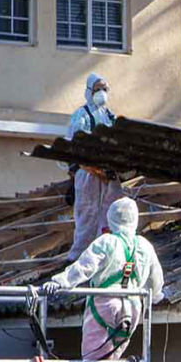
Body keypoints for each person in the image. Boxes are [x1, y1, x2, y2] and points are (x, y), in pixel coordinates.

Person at [41, 197, 165, 362]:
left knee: (97, 361)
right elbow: (156, 282)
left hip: (106, 304)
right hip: (134, 306)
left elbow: (83, 268)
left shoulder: (106, 242)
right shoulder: (145, 246)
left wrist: (59, 282)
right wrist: (156, 297)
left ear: (111, 218)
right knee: (113, 360)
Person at [64, 73, 123, 260]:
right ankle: (79, 256)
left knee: (110, 211)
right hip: (88, 172)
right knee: (87, 213)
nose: (102, 93)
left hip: (108, 173)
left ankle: (103, 255)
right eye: (98, 89)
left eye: (104, 89)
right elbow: (74, 144)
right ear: (89, 91)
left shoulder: (110, 116)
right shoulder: (81, 115)